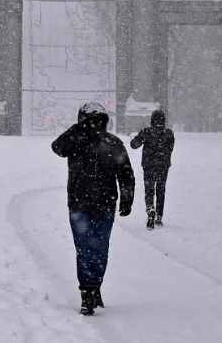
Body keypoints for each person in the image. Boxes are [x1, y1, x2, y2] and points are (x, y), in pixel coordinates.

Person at [51, 102, 135, 316]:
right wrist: (78, 130)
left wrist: (127, 198)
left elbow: (125, 173)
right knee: (93, 249)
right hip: (89, 204)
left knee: (92, 249)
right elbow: (57, 147)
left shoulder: (110, 142)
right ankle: (88, 290)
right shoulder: (78, 139)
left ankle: (92, 287)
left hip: (91, 203)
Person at [130, 108, 176, 229]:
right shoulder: (169, 134)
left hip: (149, 166)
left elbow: (134, 145)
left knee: (149, 190)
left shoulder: (146, 132)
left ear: (152, 120)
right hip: (163, 166)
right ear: (163, 121)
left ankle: (150, 210)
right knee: (161, 190)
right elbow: (170, 148)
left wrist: (137, 138)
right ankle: (159, 216)